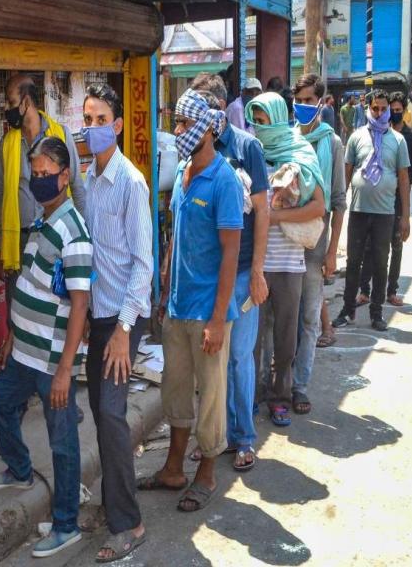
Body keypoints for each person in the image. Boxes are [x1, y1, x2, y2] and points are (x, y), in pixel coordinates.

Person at [0, 136, 91, 558]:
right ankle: (20, 470)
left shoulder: (73, 232)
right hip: (25, 350)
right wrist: (12, 332)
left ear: (65, 176)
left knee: (62, 441)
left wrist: (66, 370)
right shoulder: (44, 221)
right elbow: (31, 283)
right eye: (36, 175)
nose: (40, 181)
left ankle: (67, 524)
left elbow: (80, 303)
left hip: (51, 361)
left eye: (47, 175)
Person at [142, 88, 243, 513]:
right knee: (176, 392)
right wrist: (165, 289)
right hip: (178, 308)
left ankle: (206, 474)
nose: (178, 131)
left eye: (184, 124)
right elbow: (176, 241)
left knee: (211, 397)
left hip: (208, 313)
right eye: (177, 123)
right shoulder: (183, 171)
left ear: (205, 129)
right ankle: (173, 468)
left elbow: (231, 255)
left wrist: (218, 320)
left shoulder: (223, 181)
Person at [182, 71, 268, 470]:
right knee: (210, 362)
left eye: (205, 108)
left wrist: (258, 272)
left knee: (238, 358)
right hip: (206, 278)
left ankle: (244, 437)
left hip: (242, 269)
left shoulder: (246, 147)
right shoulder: (193, 154)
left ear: (219, 108)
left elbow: (263, 212)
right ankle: (215, 437)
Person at [80, 83, 152, 561]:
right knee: (104, 420)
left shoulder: (131, 182)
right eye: (88, 118)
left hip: (122, 319)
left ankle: (129, 524)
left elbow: (143, 264)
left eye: (101, 119)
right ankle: (113, 507)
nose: (93, 127)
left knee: (111, 415)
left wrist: (125, 330)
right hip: (97, 316)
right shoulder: (87, 175)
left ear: (119, 126)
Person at [245, 92, 325, 428]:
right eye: (256, 121)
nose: (260, 128)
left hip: (290, 263)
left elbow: (319, 207)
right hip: (256, 263)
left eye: (265, 121)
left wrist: (274, 216)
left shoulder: (301, 153)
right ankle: (250, 398)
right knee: (252, 339)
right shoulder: (252, 153)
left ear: (278, 118)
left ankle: (280, 397)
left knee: (285, 337)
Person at [0, 74, 85, 303]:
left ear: (25, 103)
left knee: (56, 303)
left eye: (11, 102)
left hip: (57, 238)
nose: (7, 108)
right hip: (20, 242)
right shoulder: (8, 143)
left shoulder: (61, 135)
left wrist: (84, 238)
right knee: (18, 306)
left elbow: (77, 187)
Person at [333, 90, 411, 332]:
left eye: (383, 109)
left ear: (389, 110)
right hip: (358, 210)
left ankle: (376, 313)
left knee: (380, 262)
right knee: (353, 261)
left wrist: (405, 217)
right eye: (375, 108)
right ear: (368, 108)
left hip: (385, 213)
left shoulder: (398, 141)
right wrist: (340, 207)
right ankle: (348, 310)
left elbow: (404, 180)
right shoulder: (356, 138)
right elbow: (346, 173)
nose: (379, 113)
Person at [292, 74, 347, 416]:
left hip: (315, 245)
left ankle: (300, 386)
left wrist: (331, 253)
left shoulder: (333, 143)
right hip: (283, 245)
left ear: (321, 103)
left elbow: (339, 201)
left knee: (309, 319)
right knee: (278, 319)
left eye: (309, 100)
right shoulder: (286, 139)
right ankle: (278, 383)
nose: (303, 106)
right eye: (299, 100)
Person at [357, 92, 412, 308]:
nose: (392, 114)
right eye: (389, 110)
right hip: (376, 199)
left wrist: (398, 181)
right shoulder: (376, 133)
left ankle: (391, 290)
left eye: (396, 111)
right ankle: (364, 290)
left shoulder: (411, 137)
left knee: (395, 245)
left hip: (395, 200)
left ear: (403, 111)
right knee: (369, 245)